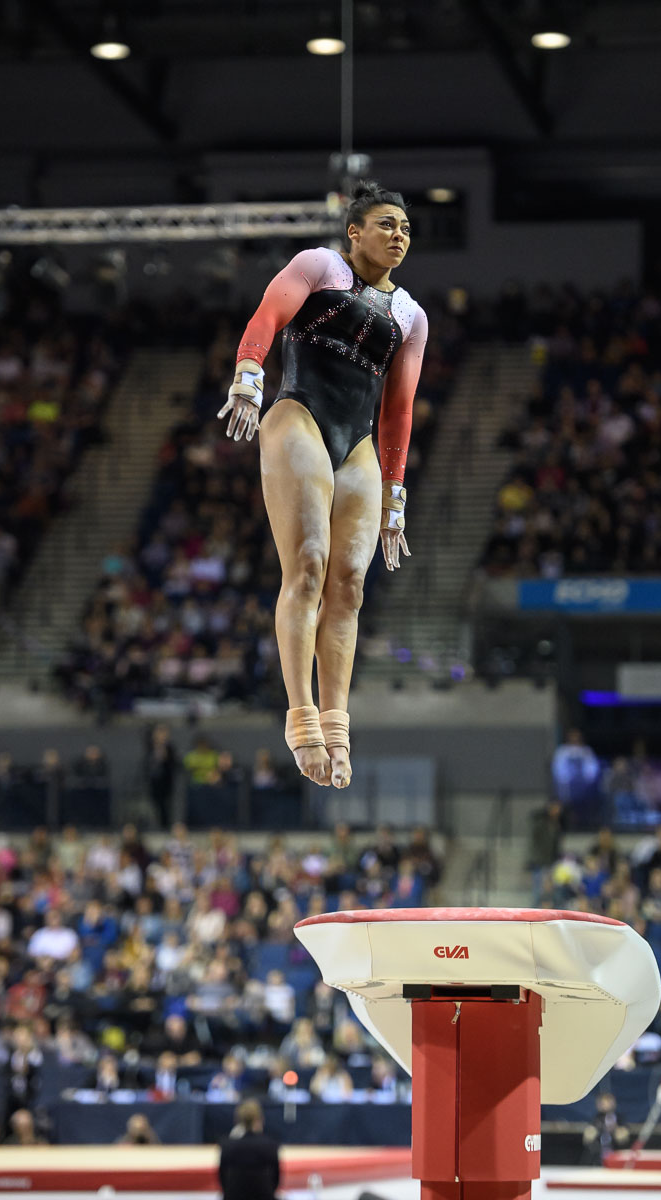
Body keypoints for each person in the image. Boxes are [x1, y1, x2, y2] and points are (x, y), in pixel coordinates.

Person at [218, 180, 427, 789]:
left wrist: (395, 496)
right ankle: (300, 717)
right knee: (307, 566)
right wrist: (249, 375)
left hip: (358, 441)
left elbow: (399, 411)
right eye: (386, 225)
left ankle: (337, 722)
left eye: (406, 229)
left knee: (350, 587)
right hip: (299, 414)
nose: (398, 236)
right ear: (354, 231)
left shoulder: (410, 316)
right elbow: (268, 314)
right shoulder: (319, 266)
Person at [218, 1098, 280, 1200]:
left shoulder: (227, 1146)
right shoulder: (270, 1146)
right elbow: (275, 1181)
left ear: (237, 1120)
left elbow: (222, 1180)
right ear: (260, 1119)